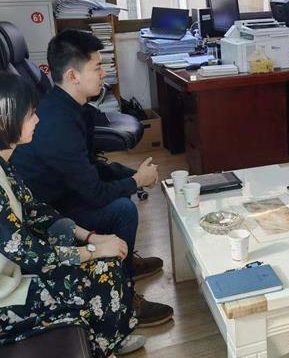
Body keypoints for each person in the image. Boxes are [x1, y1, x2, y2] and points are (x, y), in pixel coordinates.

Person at [0, 73, 153, 358]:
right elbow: (33, 254)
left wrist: (89, 236)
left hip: (15, 279)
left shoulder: (5, 166)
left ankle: (109, 342)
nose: (37, 120)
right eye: (30, 114)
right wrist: (93, 250)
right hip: (6, 298)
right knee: (100, 274)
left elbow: (38, 212)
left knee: (107, 264)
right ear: (4, 121)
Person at [12, 29, 173, 327]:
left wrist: (133, 175)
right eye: (97, 68)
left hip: (64, 190)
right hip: (47, 212)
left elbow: (91, 166)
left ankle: (122, 262)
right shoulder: (59, 124)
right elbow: (94, 192)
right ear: (73, 75)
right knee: (122, 209)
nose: (104, 74)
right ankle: (124, 299)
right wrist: (137, 181)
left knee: (120, 188)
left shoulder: (72, 107)